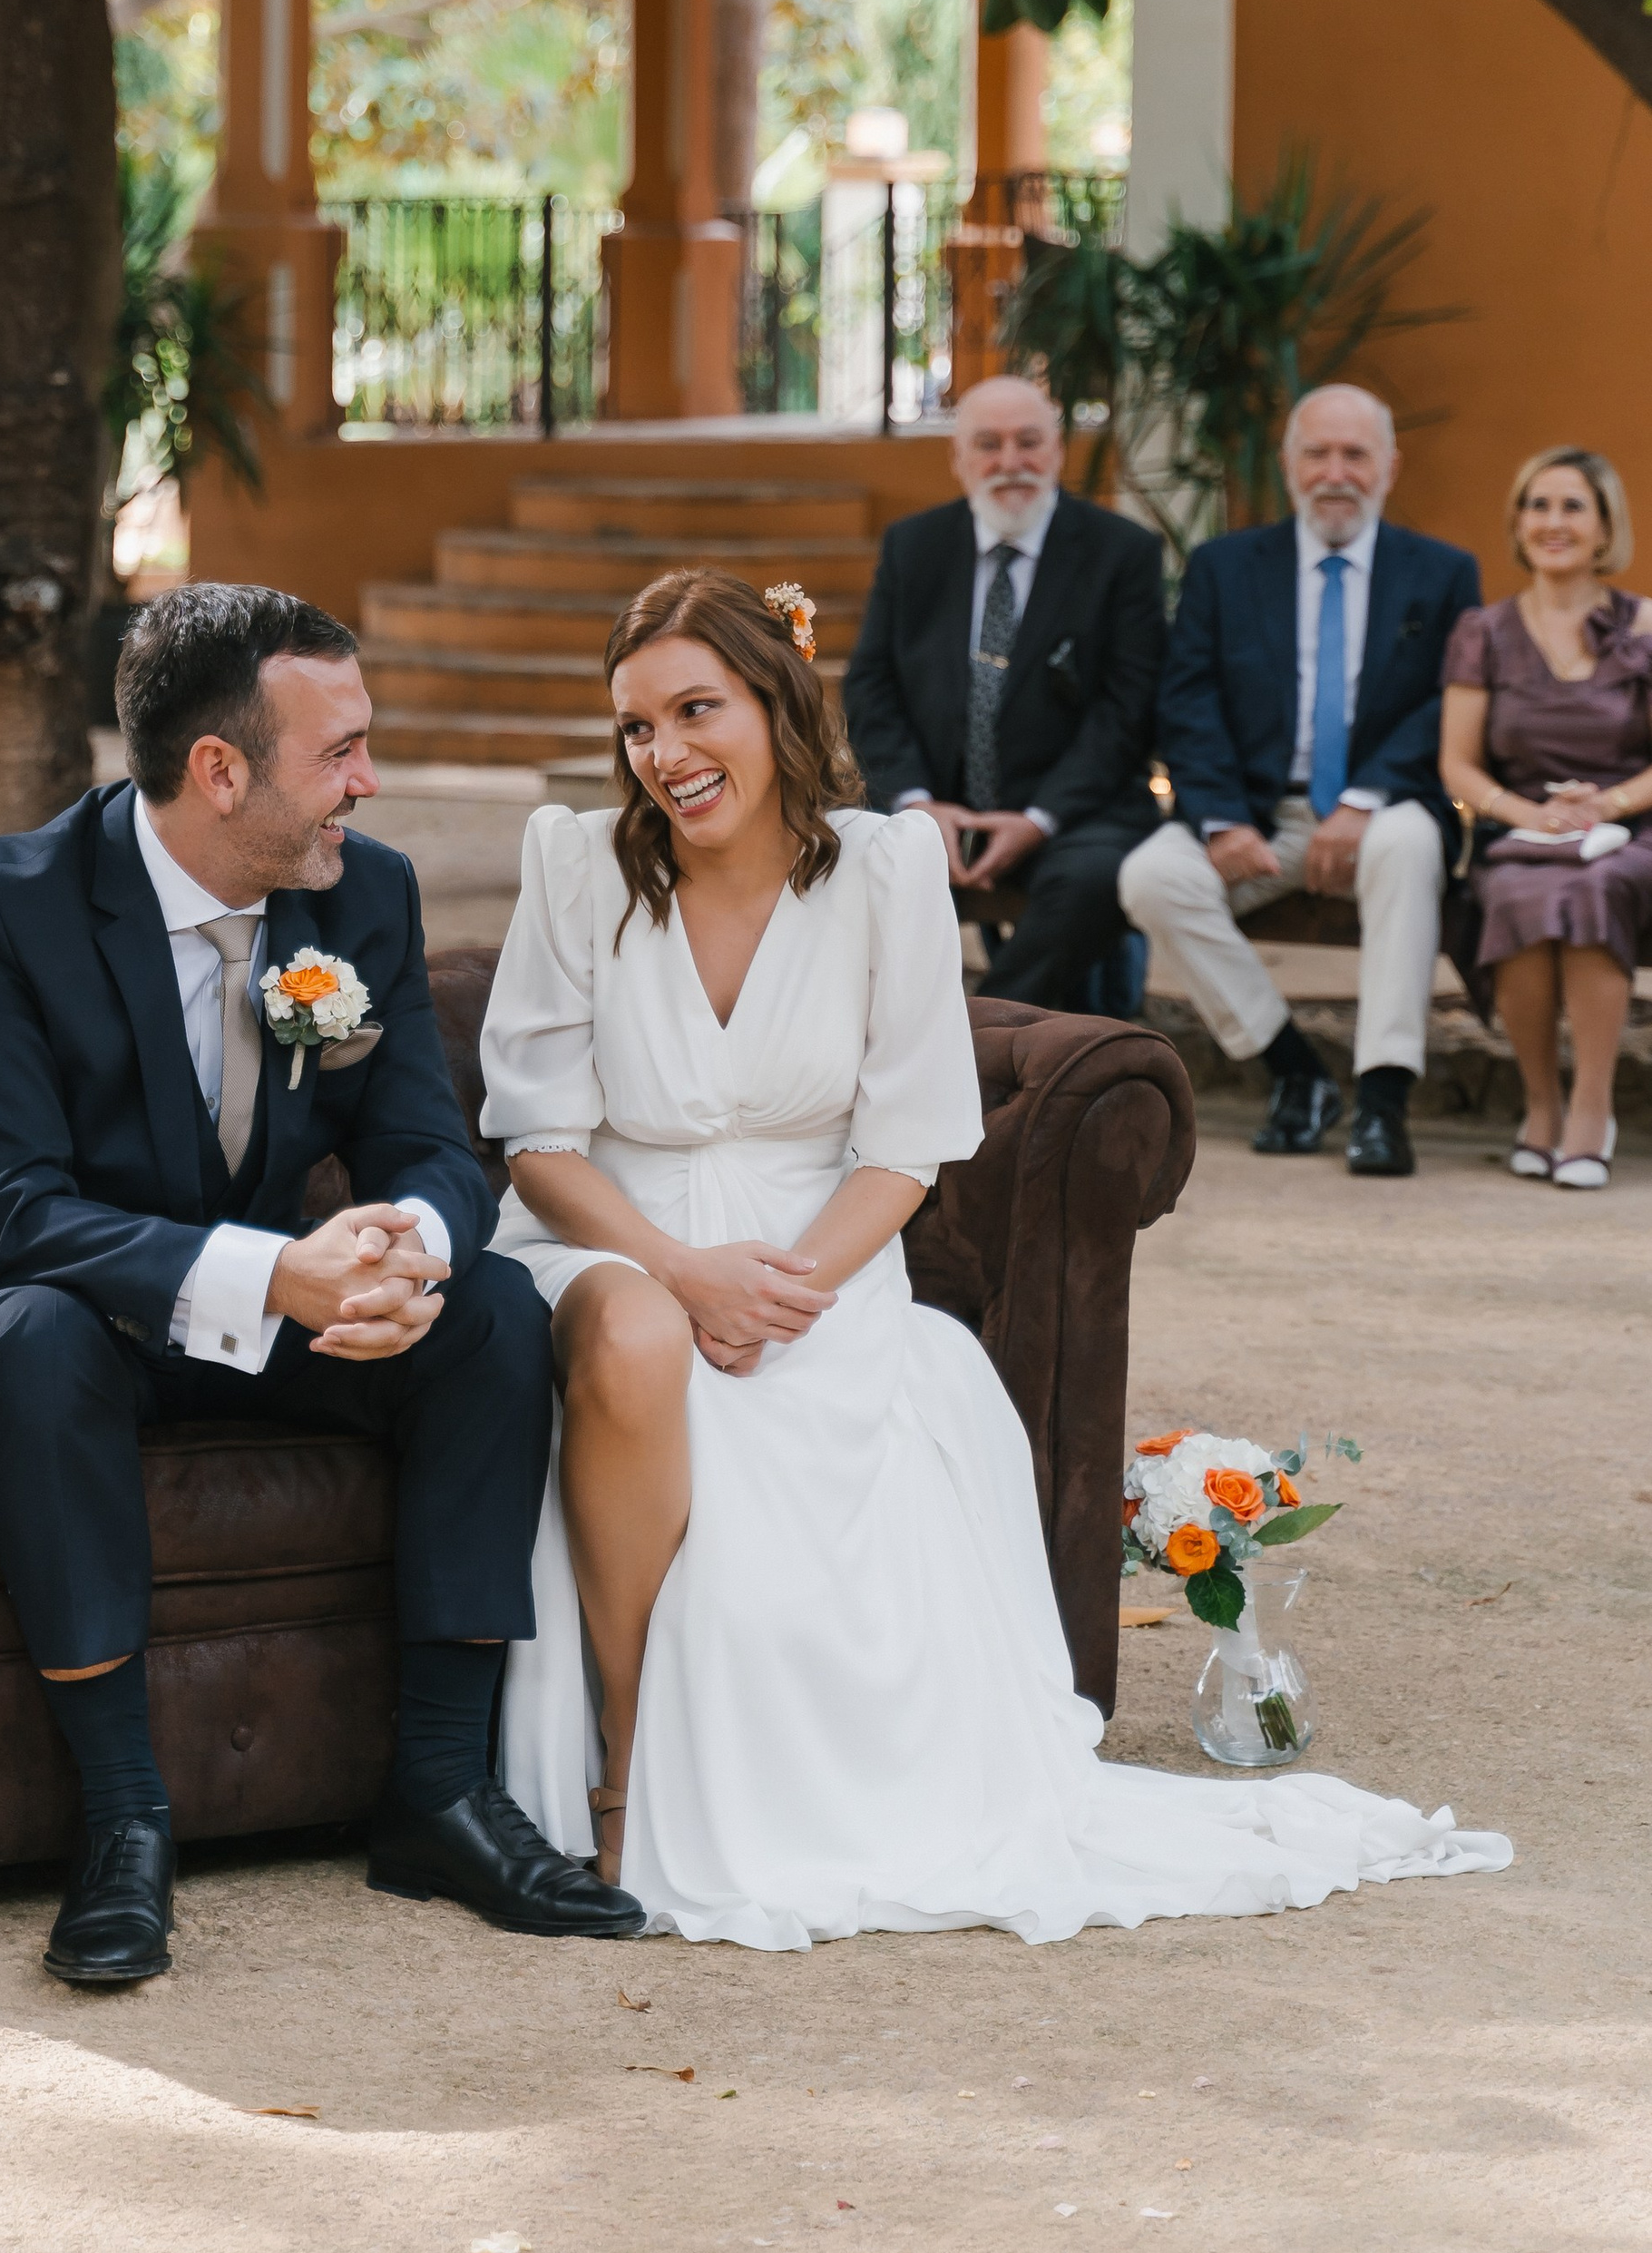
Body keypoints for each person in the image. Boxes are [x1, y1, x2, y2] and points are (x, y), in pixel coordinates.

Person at [479, 567, 1507, 1946]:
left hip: (818, 1265)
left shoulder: (886, 871)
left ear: (778, 700)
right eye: (635, 728)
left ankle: (809, 1789)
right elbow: (538, 1143)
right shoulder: (575, 866)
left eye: (693, 710)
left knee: (818, 1471)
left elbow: (906, 1146)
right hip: (609, 1236)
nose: (661, 755)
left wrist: (784, 1287)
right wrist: (681, 1267)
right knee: (632, 1337)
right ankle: (617, 1772)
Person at [0, 583, 643, 1992]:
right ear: (219, 770)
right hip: (73, 1315)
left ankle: (438, 1795)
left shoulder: (361, 890)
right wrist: (271, 1275)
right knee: (37, 1341)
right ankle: (124, 1821)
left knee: (490, 1312)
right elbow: (1, 1209)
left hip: (275, 1317)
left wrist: (409, 1254)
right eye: (340, 752)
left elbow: (430, 1141)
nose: (369, 781)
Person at [1118, 385, 1480, 1181]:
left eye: (1355, 455)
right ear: (1289, 467)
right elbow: (1188, 702)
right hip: (1258, 812)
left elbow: (1442, 708)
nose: (1336, 472)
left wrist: (1362, 800)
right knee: (1151, 878)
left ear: (1390, 466)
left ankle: (1383, 1101)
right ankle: (1294, 1072)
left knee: (1409, 847)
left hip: (1384, 806)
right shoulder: (1225, 568)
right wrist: (1218, 819)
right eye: (1317, 453)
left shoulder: (1443, 573)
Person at [841, 374, 1164, 1007]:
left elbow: (1128, 711)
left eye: (1028, 442)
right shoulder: (914, 547)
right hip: (939, 809)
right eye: (988, 444)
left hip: (1073, 815)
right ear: (959, 460)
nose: (1010, 462)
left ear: (1058, 452)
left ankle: (974, 1047)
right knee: (840, 864)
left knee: (1096, 878)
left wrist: (1038, 820)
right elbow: (871, 687)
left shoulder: (1122, 552)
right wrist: (915, 805)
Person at [1439, 448, 1652, 1193]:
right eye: (1537, 506)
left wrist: (1606, 806)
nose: (1552, 523)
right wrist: (1531, 815)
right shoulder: (1484, 631)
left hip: (1632, 827)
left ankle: (1593, 1109)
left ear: (1604, 529)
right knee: (1523, 890)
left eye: (1572, 507)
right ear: (1518, 523)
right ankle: (1540, 1104)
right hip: (1526, 827)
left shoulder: (1648, 626)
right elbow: (1458, 763)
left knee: (1593, 887)